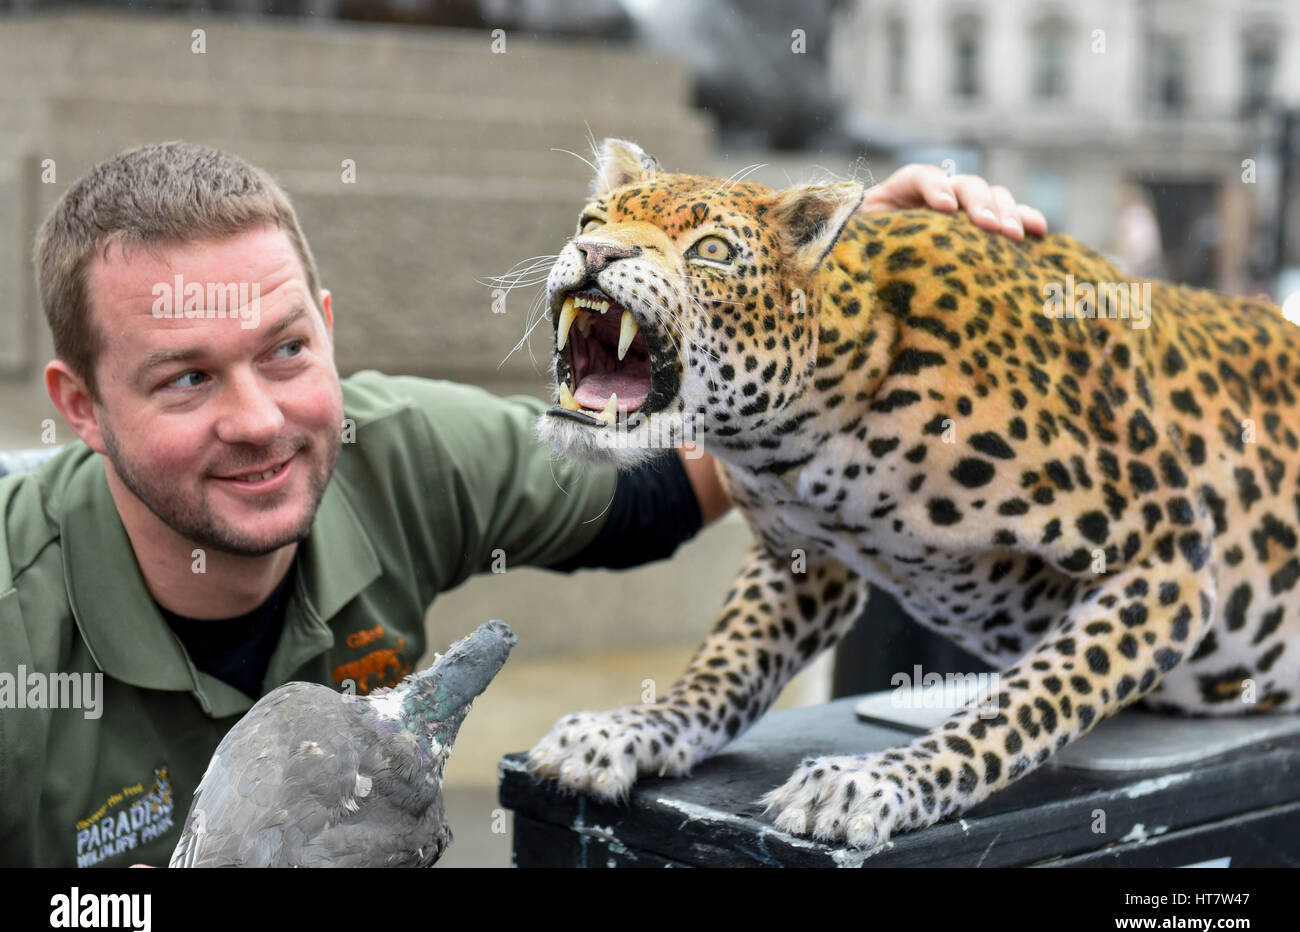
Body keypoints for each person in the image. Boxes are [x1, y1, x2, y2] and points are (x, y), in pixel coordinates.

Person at [0, 142, 1045, 866]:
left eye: (285, 352)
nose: (261, 421)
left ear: (324, 327)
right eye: (185, 379)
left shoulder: (399, 450)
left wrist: (825, 315)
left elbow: (655, 497)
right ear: (81, 407)